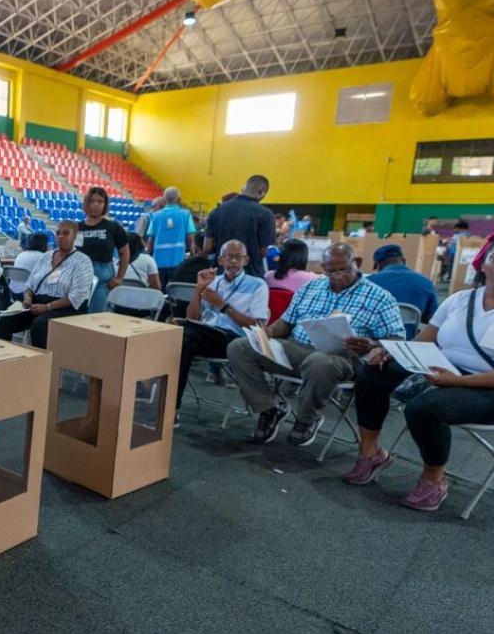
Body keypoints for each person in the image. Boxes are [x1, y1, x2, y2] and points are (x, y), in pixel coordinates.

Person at [346, 233, 494, 512]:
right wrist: (389, 350)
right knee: (374, 371)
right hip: (445, 371)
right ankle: (371, 452)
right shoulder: (460, 299)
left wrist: (459, 381)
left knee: (425, 408)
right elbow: (424, 341)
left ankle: (434, 478)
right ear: (483, 264)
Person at [226, 242, 405, 447]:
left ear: (356, 263)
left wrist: (372, 344)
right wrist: (269, 332)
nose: (337, 275)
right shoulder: (311, 287)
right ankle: (269, 409)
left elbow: (396, 338)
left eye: (344, 269)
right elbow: (286, 322)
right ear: (323, 268)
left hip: (343, 356)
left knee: (320, 362)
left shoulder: (380, 297)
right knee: (239, 347)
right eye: (331, 271)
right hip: (298, 347)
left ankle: (306, 420)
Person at [174, 240, 269, 414]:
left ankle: (167, 407)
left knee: (180, 335)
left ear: (246, 260)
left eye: (238, 257)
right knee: (182, 342)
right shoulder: (212, 281)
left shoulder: (257, 285)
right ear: (220, 260)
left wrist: (223, 305)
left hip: (234, 339)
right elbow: (192, 317)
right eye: (229, 257)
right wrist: (198, 289)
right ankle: (171, 409)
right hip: (202, 336)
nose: (234, 261)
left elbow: (258, 326)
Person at [0, 220, 93, 348]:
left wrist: (47, 307)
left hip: (67, 308)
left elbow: (76, 297)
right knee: (6, 320)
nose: (60, 236)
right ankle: (0, 361)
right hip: (38, 303)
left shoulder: (83, 261)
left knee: (39, 324)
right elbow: (30, 284)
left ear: (74, 236)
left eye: (65, 233)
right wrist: (27, 298)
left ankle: (40, 364)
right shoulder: (46, 257)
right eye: (58, 233)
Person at [204, 175, 275, 278]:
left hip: (222, 274)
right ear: (262, 192)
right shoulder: (265, 214)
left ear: (243, 188)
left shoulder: (216, 212)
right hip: (251, 276)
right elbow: (263, 252)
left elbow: (207, 248)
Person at [78, 186, 130, 314]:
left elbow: (125, 253)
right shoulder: (78, 228)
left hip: (102, 281)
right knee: (77, 317)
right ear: (86, 203)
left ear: (105, 204)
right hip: (80, 278)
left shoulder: (112, 227)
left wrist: (119, 278)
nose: (95, 204)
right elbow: (75, 254)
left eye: (100, 201)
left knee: (95, 318)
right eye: (92, 201)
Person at [367, 243, 437, 338]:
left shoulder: (369, 281)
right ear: (404, 260)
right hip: (407, 339)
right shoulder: (425, 282)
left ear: (379, 265)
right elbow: (432, 319)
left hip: (372, 342)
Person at [145, 186, 194, 284]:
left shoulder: (155, 216)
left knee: (159, 291)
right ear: (179, 199)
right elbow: (191, 239)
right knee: (175, 292)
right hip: (178, 262)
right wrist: (192, 257)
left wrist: (147, 259)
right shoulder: (186, 215)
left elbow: (150, 241)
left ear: (164, 199)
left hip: (158, 263)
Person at [10, 232, 48, 297]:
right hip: (31, 296)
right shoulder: (42, 257)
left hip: (14, 293)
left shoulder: (20, 255)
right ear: (44, 245)